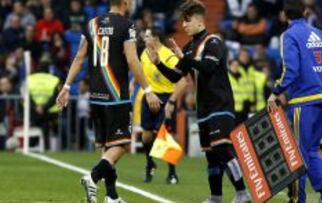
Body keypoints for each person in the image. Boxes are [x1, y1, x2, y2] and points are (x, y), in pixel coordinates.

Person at [56, 0, 161, 202]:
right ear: (124, 2)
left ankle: (111, 196)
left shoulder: (92, 23)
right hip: (116, 97)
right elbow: (132, 60)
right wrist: (148, 89)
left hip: (95, 96)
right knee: (121, 145)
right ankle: (93, 176)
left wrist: (67, 86)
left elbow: (79, 57)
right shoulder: (126, 25)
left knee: (106, 148)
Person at [147, 1, 251, 202]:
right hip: (203, 107)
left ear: (198, 20)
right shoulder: (188, 48)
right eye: (182, 21)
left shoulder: (213, 42)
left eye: (187, 21)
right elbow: (175, 76)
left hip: (220, 104)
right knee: (211, 155)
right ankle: (216, 197)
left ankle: (242, 193)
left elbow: (208, 68)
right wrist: (158, 63)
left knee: (222, 148)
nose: (183, 25)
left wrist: (183, 59)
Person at [267, 1, 322, 203]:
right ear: (305, 12)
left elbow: (291, 70)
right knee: (312, 150)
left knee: (297, 153)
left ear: (283, 15)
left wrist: (276, 91)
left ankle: (297, 199)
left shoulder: (289, 35)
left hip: (303, 100)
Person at [140, 27, 187, 184]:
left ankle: (172, 173)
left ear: (156, 38)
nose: (144, 38)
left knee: (164, 135)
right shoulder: (144, 54)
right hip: (149, 96)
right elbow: (141, 73)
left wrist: (172, 101)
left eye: (147, 36)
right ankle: (149, 163)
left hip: (166, 97)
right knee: (146, 135)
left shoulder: (168, 55)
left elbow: (182, 81)